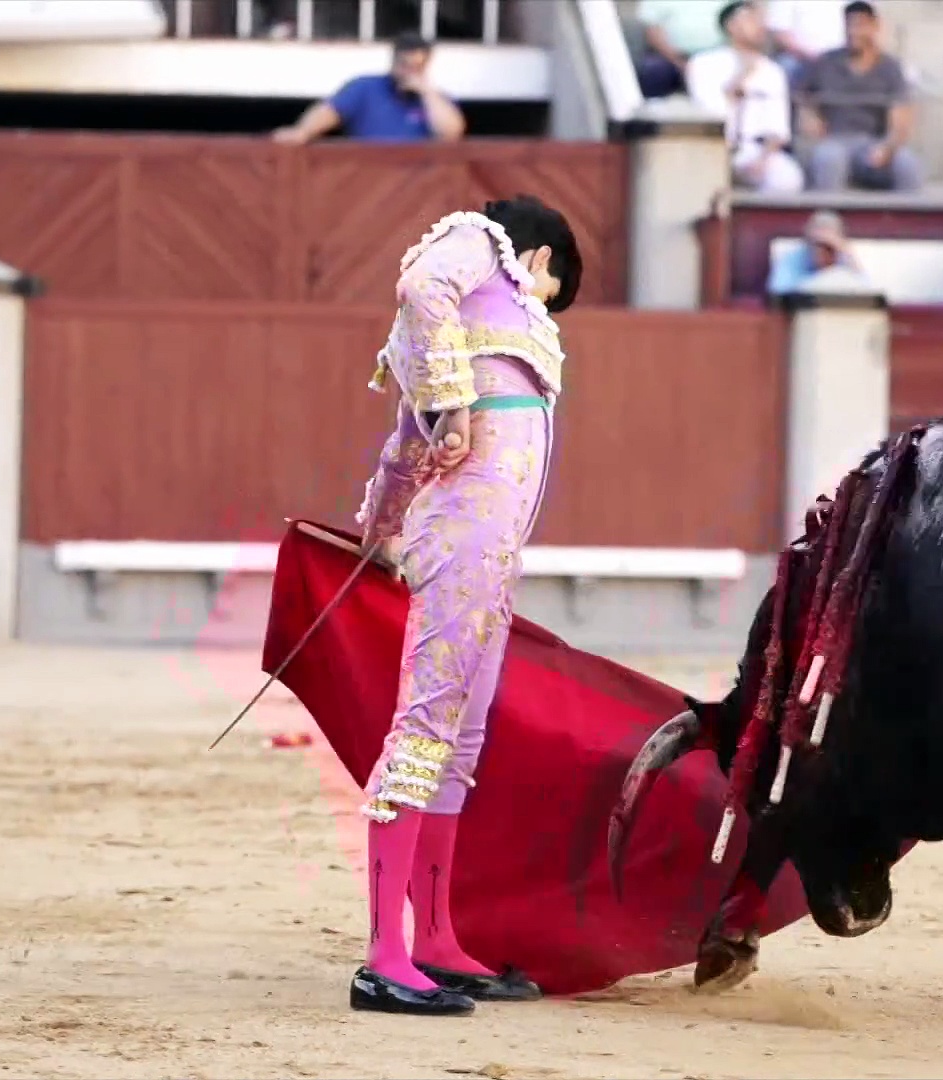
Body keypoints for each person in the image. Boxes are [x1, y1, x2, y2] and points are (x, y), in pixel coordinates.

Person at [348, 195, 581, 1016]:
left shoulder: (463, 333)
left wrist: (377, 526)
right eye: (550, 295)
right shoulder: (479, 243)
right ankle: (383, 957)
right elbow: (419, 286)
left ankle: (436, 940)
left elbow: (410, 444)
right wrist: (451, 401)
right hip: (469, 534)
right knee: (428, 726)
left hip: (491, 546)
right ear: (543, 265)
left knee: (461, 735)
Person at [795, 1, 920, 193]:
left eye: (860, 25)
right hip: (834, 140)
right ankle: (827, 218)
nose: (853, 32)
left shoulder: (890, 67)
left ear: (875, 27)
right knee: (829, 158)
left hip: (873, 143)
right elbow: (801, 97)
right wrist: (809, 117)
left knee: (907, 163)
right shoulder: (825, 62)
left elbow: (901, 121)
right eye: (849, 26)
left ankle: (908, 221)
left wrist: (887, 148)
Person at [686, 0, 803, 195]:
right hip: (713, 148)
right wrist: (743, 75)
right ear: (731, 26)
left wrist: (762, 161)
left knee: (788, 179)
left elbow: (778, 129)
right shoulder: (703, 63)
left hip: (756, 151)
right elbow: (710, 112)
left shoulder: (773, 70)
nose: (759, 26)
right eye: (751, 20)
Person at [272, 33, 464, 144]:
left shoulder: (437, 100)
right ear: (393, 61)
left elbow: (451, 134)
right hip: (370, 184)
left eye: (415, 67)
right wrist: (303, 132)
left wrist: (427, 92)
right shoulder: (365, 87)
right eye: (403, 65)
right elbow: (330, 111)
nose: (408, 72)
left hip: (417, 189)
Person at [634, 0, 725, 99]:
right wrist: (679, 62)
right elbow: (652, 31)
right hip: (671, 56)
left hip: (718, 53)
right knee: (652, 70)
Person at [765, 209, 866, 295]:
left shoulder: (844, 258)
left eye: (827, 247)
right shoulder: (792, 258)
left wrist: (848, 255)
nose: (820, 251)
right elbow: (777, 292)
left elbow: (867, 292)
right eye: (816, 244)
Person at [764, 0, 845, 82]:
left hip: (842, 58)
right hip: (799, 58)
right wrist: (812, 56)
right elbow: (780, 34)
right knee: (785, 66)